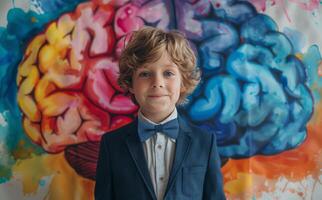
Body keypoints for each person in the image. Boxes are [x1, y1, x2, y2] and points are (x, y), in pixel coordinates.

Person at [94, 26, 226, 200]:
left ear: (183, 82)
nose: (157, 82)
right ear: (131, 84)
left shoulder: (205, 143)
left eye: (168, 73)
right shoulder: (112, 145)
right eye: (145, 73)